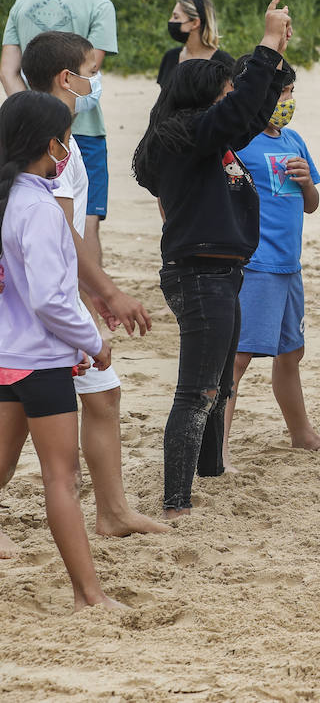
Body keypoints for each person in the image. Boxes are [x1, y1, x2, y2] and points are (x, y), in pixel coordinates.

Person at [132, 0, 292, 519]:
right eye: (223, 91)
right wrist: (265, 44)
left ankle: (209, 475)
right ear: (205, 98)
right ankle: (177, 502)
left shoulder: (204, 140)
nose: (231, 101)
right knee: (197, 391)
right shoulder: (188, 140)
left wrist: (275, 59)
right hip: (199, 275)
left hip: (220, 272)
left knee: (218, 385)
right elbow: (238, 112)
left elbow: (249, 113)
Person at [20, 31, 166, 539]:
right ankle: (110, 512)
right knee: (20, 416)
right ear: (67, 78)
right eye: (91, 69)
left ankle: (112, 511)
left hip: (58, 296)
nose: (95, 79)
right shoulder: (51, 144)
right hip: (40, 305)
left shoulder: (61, 138)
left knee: (102, 395)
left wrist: (94, 292)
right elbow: (58, 233)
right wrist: (107, 293)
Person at [0, 91, 125, 609]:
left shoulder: (8, 199)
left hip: (7, 358)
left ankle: (87, 592)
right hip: (41, 364)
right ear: (52, 145)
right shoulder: (41, 208)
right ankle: (88, 594)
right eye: (67, 139)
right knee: (61, 479)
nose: (69, 150)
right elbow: (52, 299)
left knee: (3, 467)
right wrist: (93, 342)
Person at [222, 60, 320, 470]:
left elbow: (311, 205)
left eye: (291, 92)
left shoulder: (293, 140)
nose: (288, 100)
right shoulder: (238, 141)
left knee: (291, 352)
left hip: (288, 265)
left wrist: (306, 183)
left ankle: (302, 434)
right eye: (282, 93)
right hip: (255, 264)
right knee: (237, 360)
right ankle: (219, 449)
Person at [1, 0, 117, 266]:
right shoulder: (99, 4)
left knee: (26, 210)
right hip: (81, 131)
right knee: (85, 223)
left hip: (25, 130)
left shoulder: (24, 0)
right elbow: (86, 73)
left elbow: (7, 70)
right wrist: (58, 117)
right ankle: (90, 312)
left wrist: (33, 113)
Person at [158, 0, 234, 91]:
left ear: (195, 23)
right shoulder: (170, 57)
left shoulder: (223, 62)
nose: (170, 21)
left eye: (176, 17)